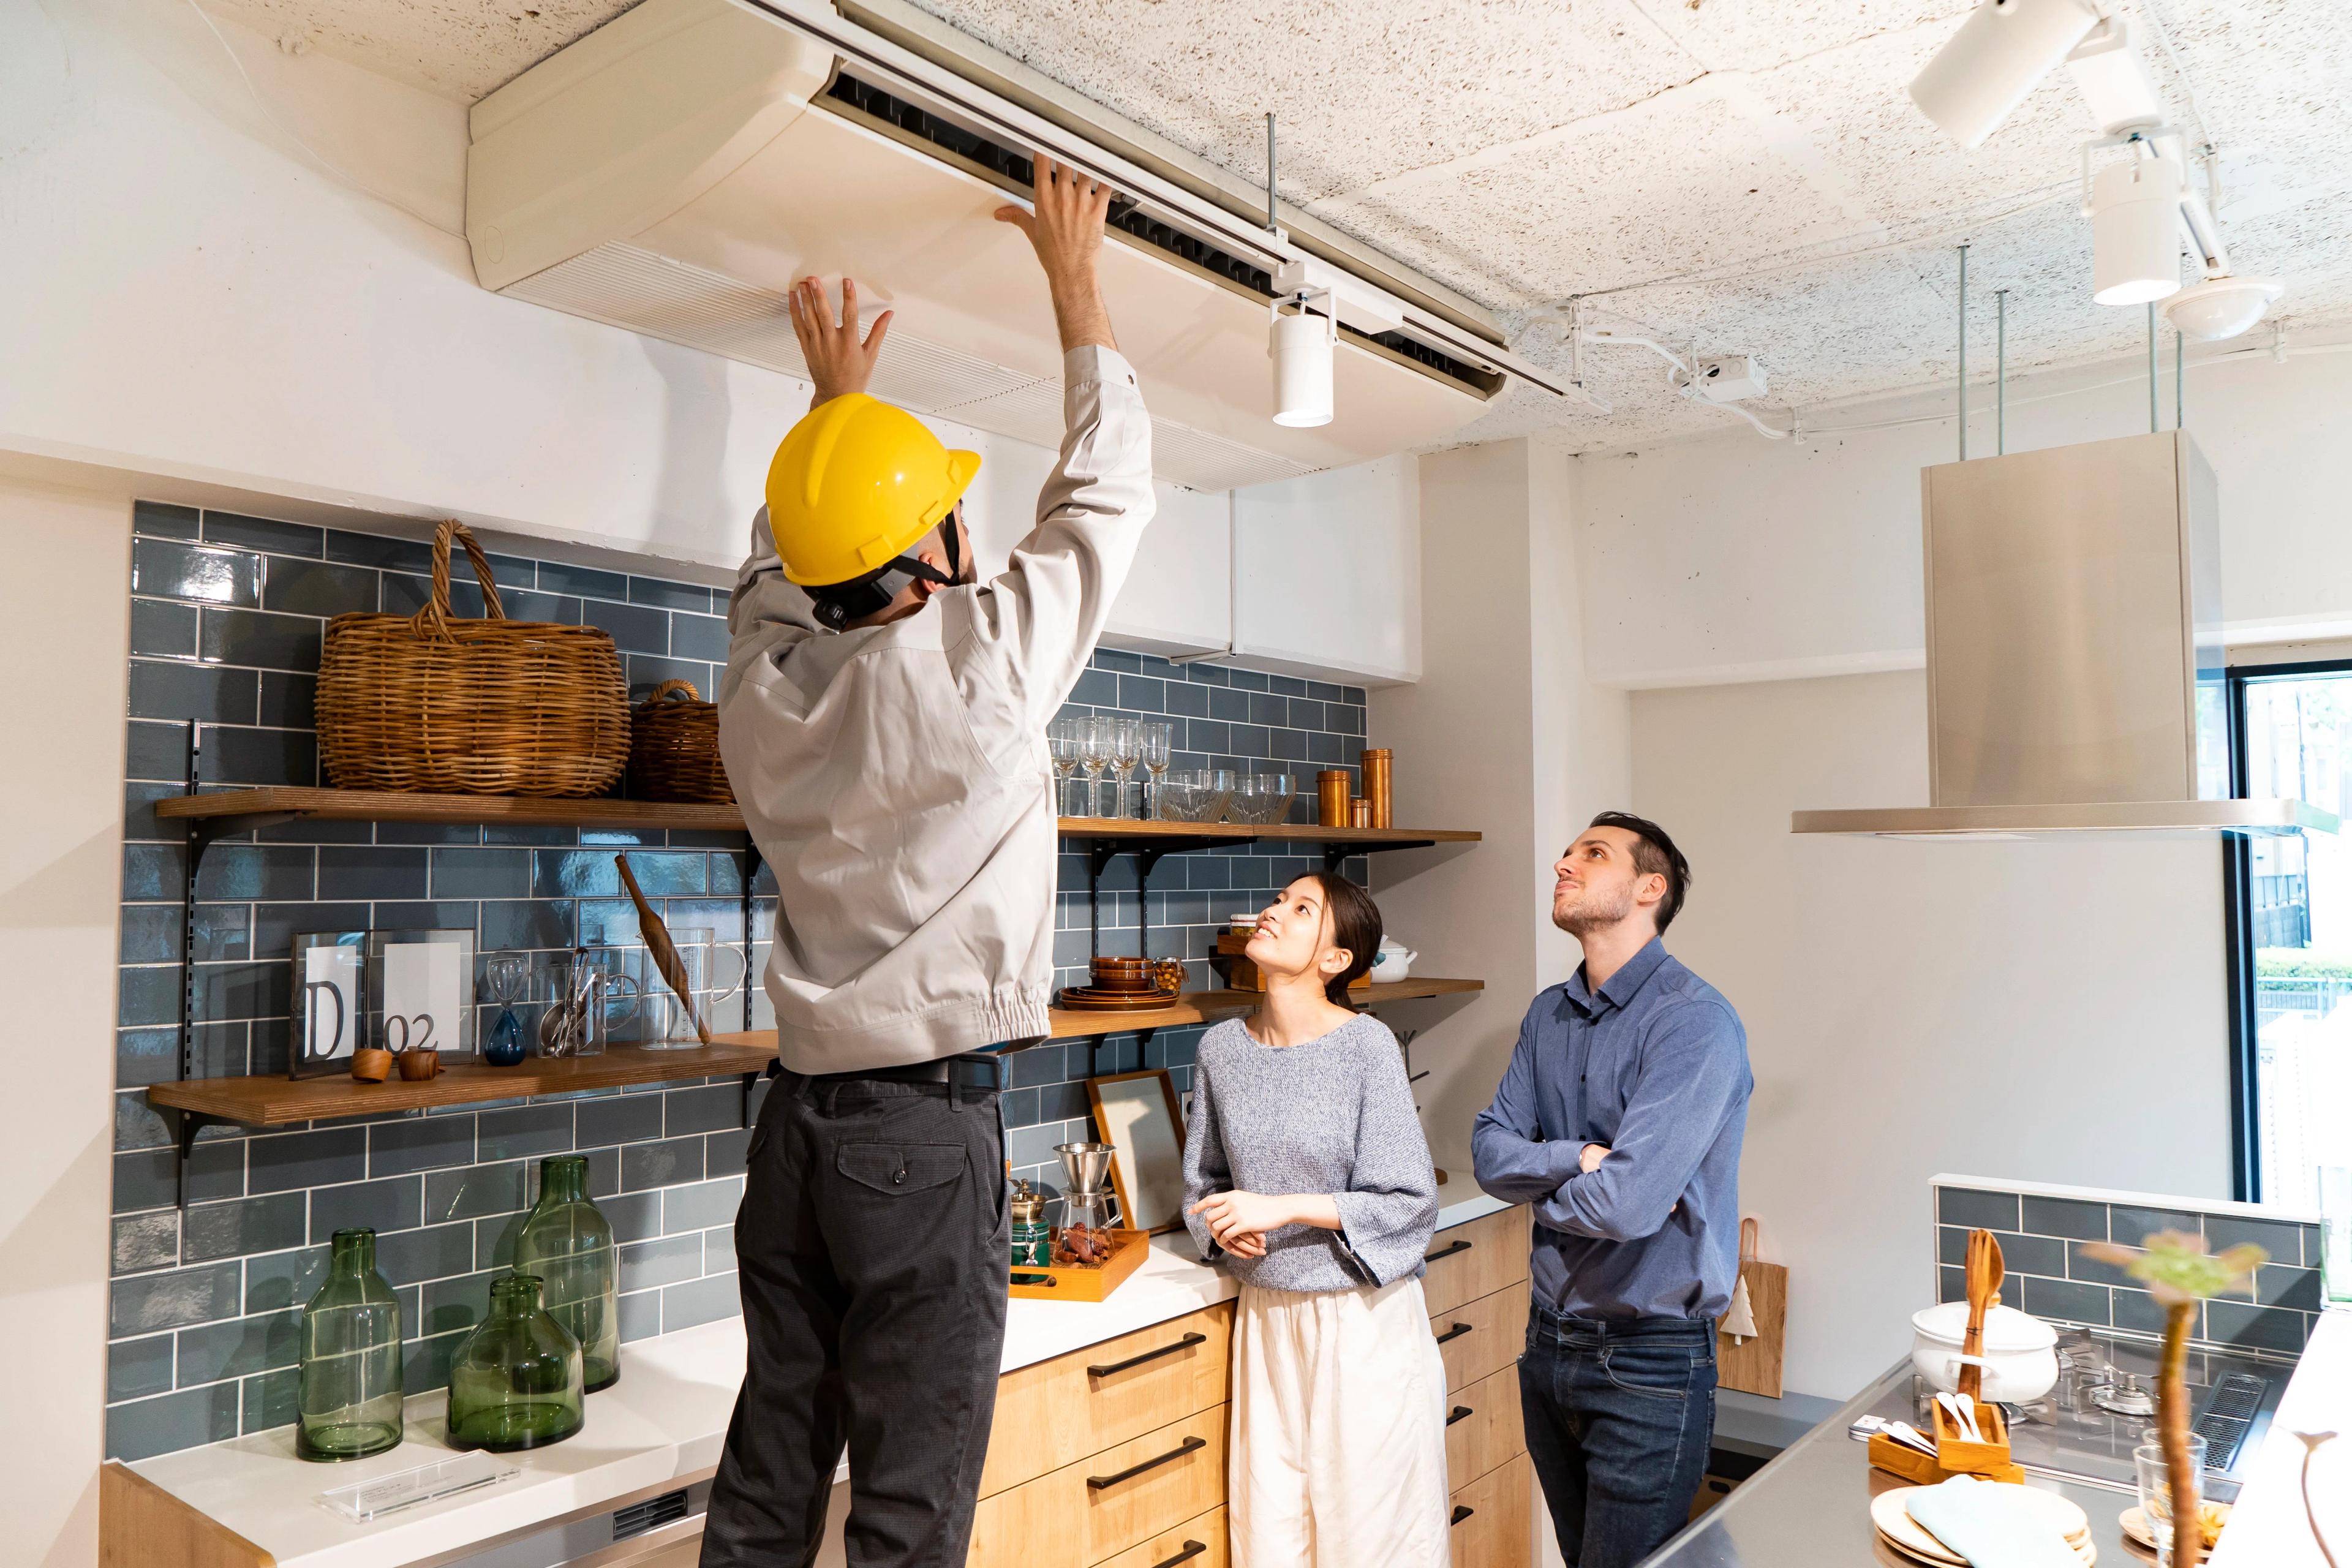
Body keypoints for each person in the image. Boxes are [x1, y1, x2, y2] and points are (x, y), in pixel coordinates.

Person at [702, 158, 1152, 1568]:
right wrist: (1076, 288)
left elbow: (789, 576)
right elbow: (1099, 502)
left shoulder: (759, 695)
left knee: (773, 1464)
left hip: (793, 1136)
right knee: (909, 1501)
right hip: (917, 1137)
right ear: (940, 547)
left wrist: (838, 425)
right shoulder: (982, 656)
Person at [1470, 812, 1752, 1568]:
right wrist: (1580, 1158)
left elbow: (1625, 1205)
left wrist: (1544, 1188)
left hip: (1649, 1361)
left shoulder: (1694, 1023)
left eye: (1592, 854)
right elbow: (1491, 1152)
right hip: (1547, 1346)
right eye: (1566, 854)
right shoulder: (1547, 1014)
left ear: (1649, 887)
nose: (1565, 864)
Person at [1183, 872, 1449, 1568]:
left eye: (1302, 909)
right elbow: (1202, 1184)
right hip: (1266, 1320)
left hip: (1362, 1323)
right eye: (1279, 900)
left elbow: (1408, 1201)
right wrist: (1219, 1226)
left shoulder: (1366, 1047)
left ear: (1335, 960)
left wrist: (1282, 1207)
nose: (1274, 911)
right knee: (1271, 1539)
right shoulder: (1221, 1051)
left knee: (1372, 1541)